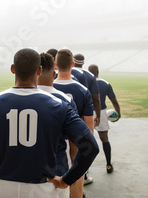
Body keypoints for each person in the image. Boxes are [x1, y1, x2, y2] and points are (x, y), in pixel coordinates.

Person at [0, 48, 99, 198]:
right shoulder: (60, 106)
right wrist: (67, 180)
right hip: (44, 189)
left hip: (4, 188)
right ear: (39, 70)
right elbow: (90, 147)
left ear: (12, 69)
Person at [53, 49, 95, 198]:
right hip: (76, 138)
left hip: (54, 140)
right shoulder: (83, 90)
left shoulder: (48, 87)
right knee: (76, 174)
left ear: (55, 64)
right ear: (72, 64)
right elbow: (89, 124)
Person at [38, 52, 78, 198]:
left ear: (36, 71)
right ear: (54, 74)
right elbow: (76, 141)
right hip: (57, 170)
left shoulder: (15, 99)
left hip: (22, 173)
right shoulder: (65, 100)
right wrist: (73, 171)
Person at [72, 53, 101, 185]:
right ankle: (82, 177)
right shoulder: (89, 76)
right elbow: (96, 98)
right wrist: (98, 115)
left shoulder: (61, 73)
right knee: (83, 147)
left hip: (64, 117)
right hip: (82, 116)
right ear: (83, 62)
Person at [88, 64, 121, 174]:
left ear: (88, 71)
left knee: (86, 140)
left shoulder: (84, 83)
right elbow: (114, 101)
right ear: (98, 71)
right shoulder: (105, 83)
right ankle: (108, 164)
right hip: (101, 112)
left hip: (87, 113)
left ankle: (85, 170)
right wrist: (118, 113)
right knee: (104, 138)